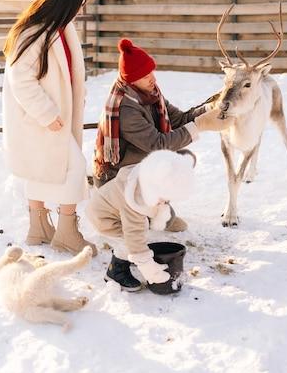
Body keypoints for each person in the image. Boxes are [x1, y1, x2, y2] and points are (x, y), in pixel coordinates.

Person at [93, 38, 232, 231]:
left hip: (138, 165)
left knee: (184, 159)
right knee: (171, 164)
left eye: (151, 72)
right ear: (131, 80)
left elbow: (180, 119)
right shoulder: (126, 108)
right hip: (118, 177)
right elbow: (158, 144)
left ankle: (155, 208)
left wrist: (210, 108)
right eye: (145, 75)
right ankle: (140, 210)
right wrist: (200, 126)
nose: (153, 79)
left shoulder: (150, 95)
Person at [2, 0, 96, 256]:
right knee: (75, 167)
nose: (82, 10)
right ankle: (67, 233)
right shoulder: (33, 34)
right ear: (66, 4)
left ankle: (39, 228)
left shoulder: (63, 30)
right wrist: (46, 113)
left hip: (57, 119)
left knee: (41, 169)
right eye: (79, 4)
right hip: (40, 120)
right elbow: (21, 79)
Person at [86, 149, 197, 291]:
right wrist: (147, 266)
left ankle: (128, 257)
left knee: (141, 229)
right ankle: (116, 272)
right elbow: (134, 235)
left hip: (113, 211)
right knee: (128, 241)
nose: (165, 202)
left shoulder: (147, 178)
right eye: (164, 198)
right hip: (104, 218)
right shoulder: (134, 199)